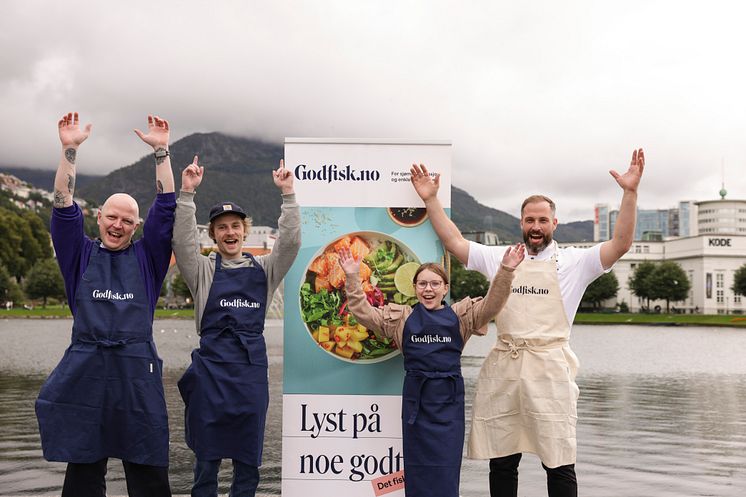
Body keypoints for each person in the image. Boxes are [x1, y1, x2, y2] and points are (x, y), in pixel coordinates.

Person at [409, 150, 645, 497]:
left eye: (542, 221)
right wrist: (430, 200)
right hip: (505, 365)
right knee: (503, 460)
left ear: (554, 224)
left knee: (559, 461)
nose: (536, 227)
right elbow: (454, 242)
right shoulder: (500, 257)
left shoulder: (576, 262)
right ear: (521, 223)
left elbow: (621, 243)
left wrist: (630, 193)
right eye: (529, 220)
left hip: (550, 369)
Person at [35, 112, 176, 497]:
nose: (118, 225)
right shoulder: (77, 254)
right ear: (99, 218)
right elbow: (62, 202)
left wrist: (162, 152)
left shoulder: (149, 259)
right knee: (82, 472)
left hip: (136, 374)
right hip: (87, 371)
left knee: (149, 473)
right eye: (112, 217)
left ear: (136, 226)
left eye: (127, 221)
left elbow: (166, 205)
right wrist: (70, 149)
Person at [339, 244, 525, 497]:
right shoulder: (401, 319)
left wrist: (505, 271)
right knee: (417, 470)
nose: (428, 289)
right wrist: (352, 276)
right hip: (417, 403)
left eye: (435, 284)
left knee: (446, 470)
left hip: (449, 403)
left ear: (445, 288)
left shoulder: (462, 317)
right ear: (415, 288)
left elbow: (493, 305)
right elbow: (363, 312)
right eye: (422, 284)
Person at [173, 155, 300, 497]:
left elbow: (290, 244)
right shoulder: (202, 271)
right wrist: (187, 194)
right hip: (211, 373)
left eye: (235, 226)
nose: (230, 232)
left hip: (250, 373)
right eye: (222, 227)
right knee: (206, 464)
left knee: (248, 464)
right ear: (212, 234)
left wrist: (288, 195)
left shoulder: (265, 269)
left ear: (246, 229)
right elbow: (182, 243)